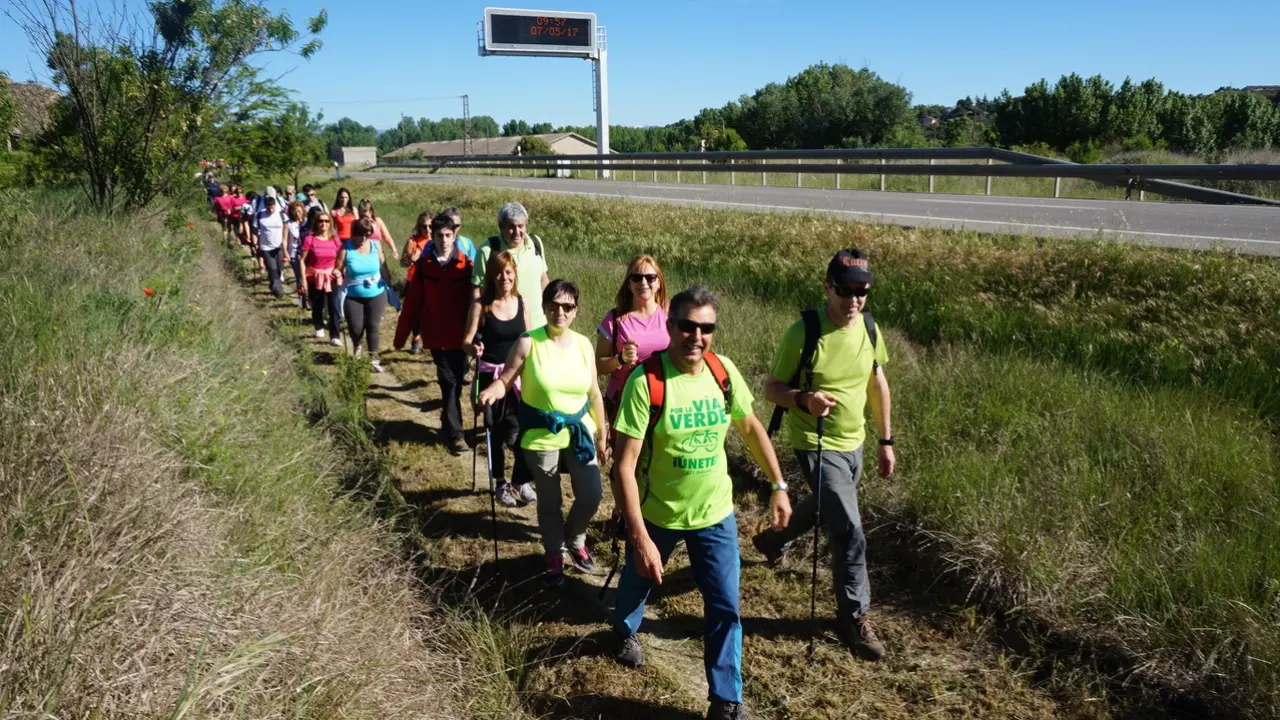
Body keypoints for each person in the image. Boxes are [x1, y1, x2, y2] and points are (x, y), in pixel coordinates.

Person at [610, 286, 792, 720]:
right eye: (688, 326)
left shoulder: (722, 371)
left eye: (706, 328)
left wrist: (778, 484)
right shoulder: (646, 382)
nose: (697, 336)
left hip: (715, 513)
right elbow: (623, 467)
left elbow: (750, 427)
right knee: (638, 580)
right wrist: (639, 538)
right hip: (659, 512)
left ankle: (726, 700)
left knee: (725, 605)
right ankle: (624, 629)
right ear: (671, 326)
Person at [752, 249, 895, 662]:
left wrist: (886, 440)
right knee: (849, 530)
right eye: (845, 291)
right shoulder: (804, 332)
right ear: (827, 288)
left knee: (823, 506)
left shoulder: (869, 327)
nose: (854, 300)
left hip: (855, 441)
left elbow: (877, 384)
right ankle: (854, 618)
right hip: (815, 442)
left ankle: (773, 539)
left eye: (862, 291)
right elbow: (772, 388)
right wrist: (804, 399)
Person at [478, 280, 608, 588]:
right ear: (545, 307)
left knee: (591, 494)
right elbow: (506, 379)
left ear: (575, 311)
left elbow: (594, 394)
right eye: (554, 305)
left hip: (579, 432)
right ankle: (554, 553)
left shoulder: (583, 345)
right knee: (549, 502)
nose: (560, 312)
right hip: (540, 435)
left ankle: (575, 540)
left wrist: (603, 435)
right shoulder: (528, 342)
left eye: (567, 307)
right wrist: (492, 391)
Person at [394, 212, 475, 454]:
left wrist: (478, 333)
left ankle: (446, 422)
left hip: (460, 337)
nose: (444, 240)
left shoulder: (466, 265)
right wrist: (401, 336)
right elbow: (412, 303)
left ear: (454, 235)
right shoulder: (424, 266)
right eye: (439, 236)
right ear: (433, 236)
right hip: (436, 336)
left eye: (448, 235)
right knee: (448, 382)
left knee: (457, 382)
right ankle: (457, 435)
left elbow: (476, 303)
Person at [462, 251, 536, 507]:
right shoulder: (480, 306)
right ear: (491, 277)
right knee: (495, 431)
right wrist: (473, 348)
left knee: (520, 430)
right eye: (499, 273)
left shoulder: (523, 303)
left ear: (515, 274)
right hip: (489, 375)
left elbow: (528, 339)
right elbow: (466, 341)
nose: (504, 278)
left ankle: (520, 480)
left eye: (508, 272)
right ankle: (500, 483)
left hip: (516, 376)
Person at [596, 255, 670, 424]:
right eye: (636, 277)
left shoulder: (670, 315)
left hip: (663, 400)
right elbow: (597, 365)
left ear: (659, 283)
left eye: (650, 278)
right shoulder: (615, 319)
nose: (643, 283)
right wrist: (620, 359)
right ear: (629, 284)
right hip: (624, 401)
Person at [472, 202, 550, 330]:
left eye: (521, 226)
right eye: (512, 227)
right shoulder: (488, 250)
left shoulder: (536, 242)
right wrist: (478, 323)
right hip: (504, 330)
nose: (517, 232)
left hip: (539, 325)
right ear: (501, 227)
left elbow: (543, 279)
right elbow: (478, 290)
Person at [335, 217, 390, 371]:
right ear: (354, 234)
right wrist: (337, 273)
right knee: (356, 327)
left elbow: (383, 266)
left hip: (376, 292)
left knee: (373, 325)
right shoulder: (346, 248)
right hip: (353, 294)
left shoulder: (375, 245)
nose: (364, 239)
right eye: (360, 235)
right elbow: (338, 267)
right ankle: (357, 344)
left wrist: (389, 284)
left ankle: (374, 359)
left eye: (367, 235)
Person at [299, 211, 344, 346]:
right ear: (316, 223)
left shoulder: (335, 239)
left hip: (331, 276)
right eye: (320, 221)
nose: (323, 224)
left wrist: (339, 269)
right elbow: (302, 260)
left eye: (326, 221)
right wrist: (303, 280)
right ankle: (319, 325)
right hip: (314, 276)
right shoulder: (310, 239)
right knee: (317, 304)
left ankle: (335, 335)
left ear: (330, 223)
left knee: (334, 306)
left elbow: (341, 257)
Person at [399, 212, 434, 355]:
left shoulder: (439, 240)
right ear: (419, 227)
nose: (427, 230)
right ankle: (416, 340)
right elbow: (402, 262)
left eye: (430, 226)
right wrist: (412, 259)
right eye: (424, 226)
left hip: (433, 281)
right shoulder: (413, 241)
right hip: (414, 282)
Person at [255, 193, 288, 297]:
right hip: (266, 247)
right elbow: (254, 231)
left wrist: (285, 243)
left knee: (279, 268)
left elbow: (286, 229)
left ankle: (273, 285)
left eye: (272, 207)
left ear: (275, 206)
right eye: (268, 208)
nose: (270, 210)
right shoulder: (260, 216)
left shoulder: (281, 215)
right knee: (272, 268)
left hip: (278, 247)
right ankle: (278, 290)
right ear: (265, 206)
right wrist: (255, 243)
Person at [285, 201, 308, 308]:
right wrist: (285, 252)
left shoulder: (307, 223)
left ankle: (309, 297)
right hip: (294, 253)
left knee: (307, 276)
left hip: (306, 253)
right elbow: (284, 240)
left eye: (299, 211)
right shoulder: (289, 224)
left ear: (303, 211)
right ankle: (302, 299)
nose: (297, 213)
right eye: (295, 211)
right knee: (299, 276)